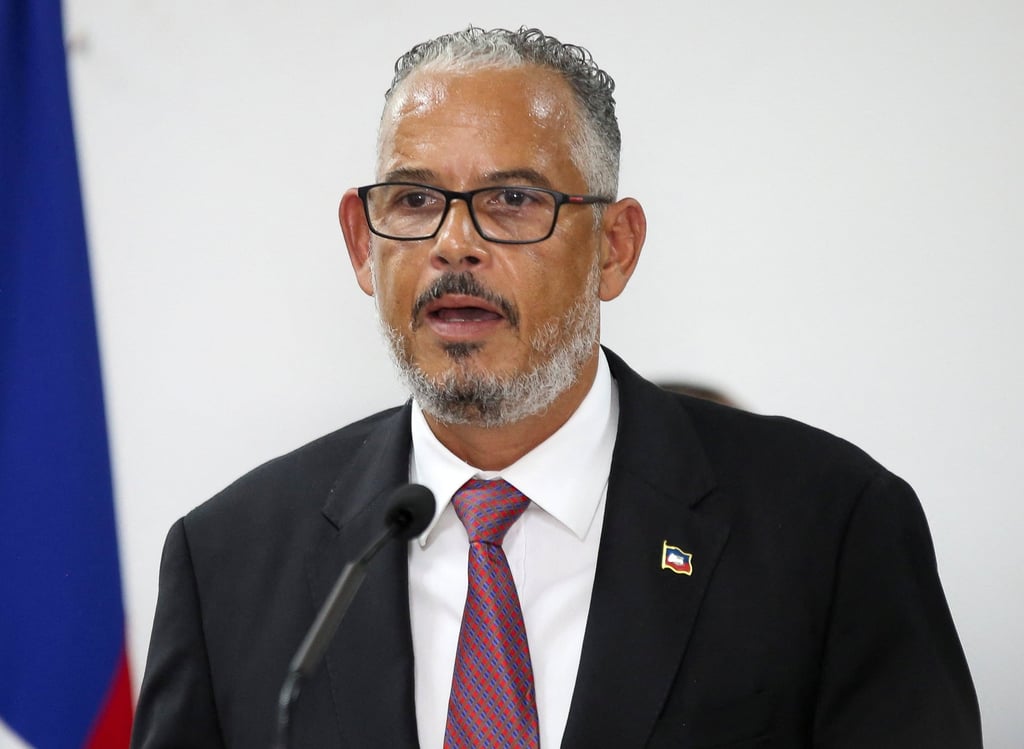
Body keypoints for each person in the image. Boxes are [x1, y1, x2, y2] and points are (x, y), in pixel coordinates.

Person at [131, 26, 982, 749]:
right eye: (416, 199)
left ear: (614, 246)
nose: (454, 243)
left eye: (511, 198)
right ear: (363, 242)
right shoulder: (229, 562)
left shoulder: (828, 528)